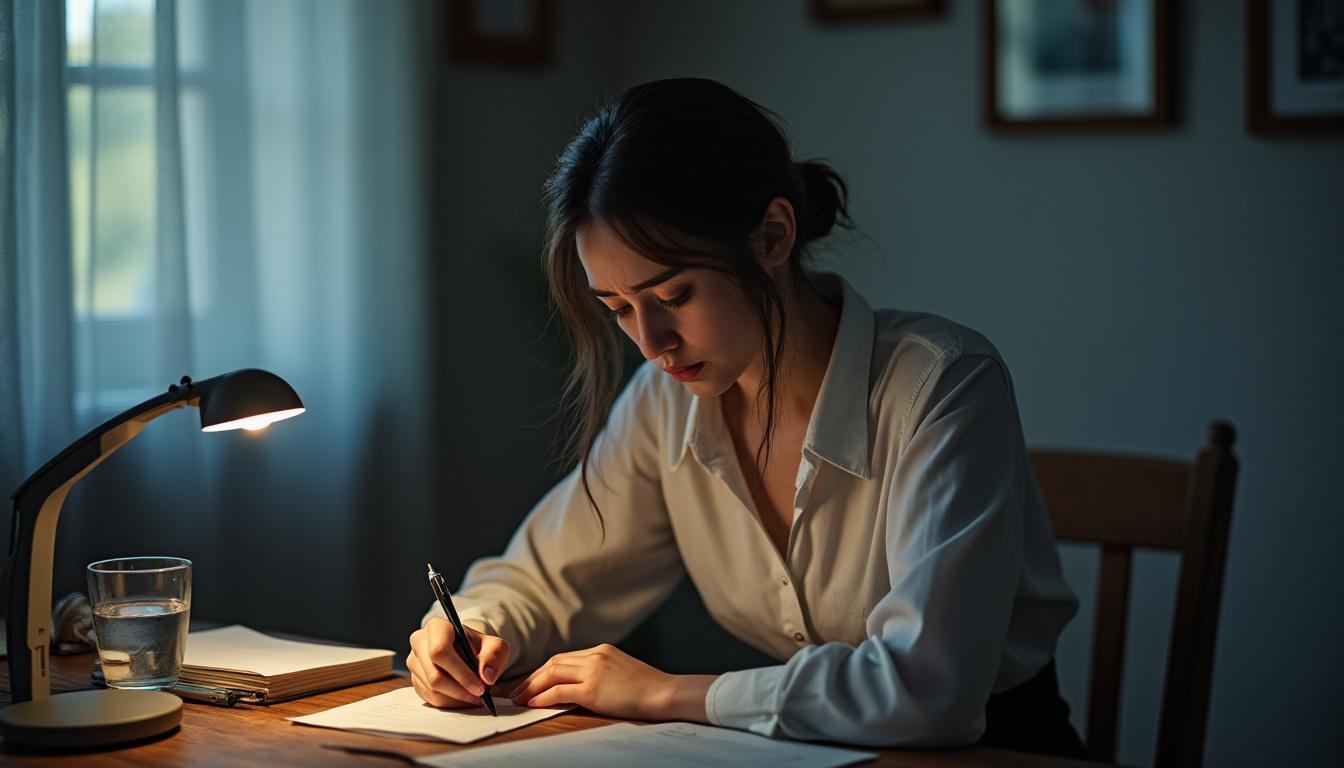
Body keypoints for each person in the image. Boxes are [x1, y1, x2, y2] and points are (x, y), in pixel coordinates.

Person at [408, 78, 1085, 757]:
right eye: (617, 307)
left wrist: (661, 692)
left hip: (993, 752)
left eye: (674, 293)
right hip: (807, 750)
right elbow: (545, 579)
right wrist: (469, 630)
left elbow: (926, 690)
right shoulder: (664, 403)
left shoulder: (940, 385)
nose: (650, 341)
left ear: (773, 236)